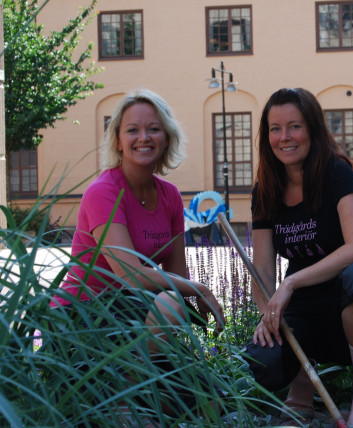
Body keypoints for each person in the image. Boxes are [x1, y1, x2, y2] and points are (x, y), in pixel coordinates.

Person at [50, 89, 225, 395]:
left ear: (166, 138)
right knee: (170, 303)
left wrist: (185, 321)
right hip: (83, 318)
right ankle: (124, 402)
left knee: (206, 398)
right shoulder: (102, 192)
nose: (143, 137)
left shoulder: (169, 195)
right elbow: (130, 276)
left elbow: (176, 276)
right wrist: (201, 289)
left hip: (132, 316)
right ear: (118, 141)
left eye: (153, 129)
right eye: (132, 130)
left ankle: (129, 393)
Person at [247, 88, 353, 427]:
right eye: (275, 128)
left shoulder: (336, 173)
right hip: (304, 308)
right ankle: (301, 387)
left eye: (294, 126)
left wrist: (291, 282)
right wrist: (268, 314)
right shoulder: (265, 190)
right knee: (264, 360)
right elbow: (260, 269)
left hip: (350, 302)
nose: (284, 137)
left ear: (313, 129)